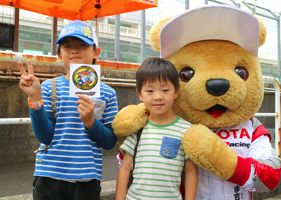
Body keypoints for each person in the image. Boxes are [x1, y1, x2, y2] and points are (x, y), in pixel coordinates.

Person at [18, 20, 118, 200]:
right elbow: (44, 136)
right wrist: (35, 99)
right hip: (49, 175)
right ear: (59, 54)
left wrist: (91, 122)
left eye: (82, 45)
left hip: (87, 179)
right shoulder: (49, 87)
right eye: (67, 46)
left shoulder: (108, 93)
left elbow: (110, 142)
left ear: (96, 52)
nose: (74, 50)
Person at [115, 57, 198, 200]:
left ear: (176, 92)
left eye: (165, 90)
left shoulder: (187, 130)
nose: (158, 96)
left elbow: (190, 171)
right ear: (140, 94)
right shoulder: (138, 128)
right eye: (150, 91)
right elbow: (125, 168)